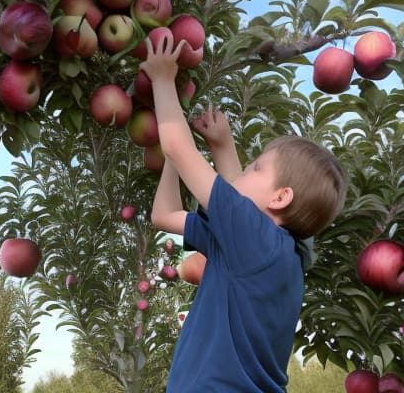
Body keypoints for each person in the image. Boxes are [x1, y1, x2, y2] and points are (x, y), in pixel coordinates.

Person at [140, 34, 347, 392]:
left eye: (257, 168)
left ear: (281, 197)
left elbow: (179, 148)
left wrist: (161, 78)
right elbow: (164, 214)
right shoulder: (275, 253)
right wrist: (213, 149)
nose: (246, 171)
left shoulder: (254, 238)